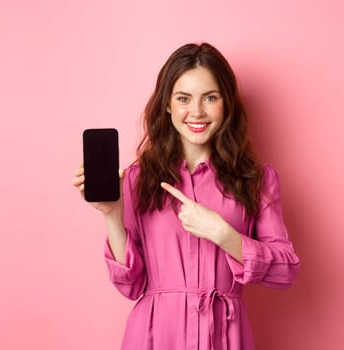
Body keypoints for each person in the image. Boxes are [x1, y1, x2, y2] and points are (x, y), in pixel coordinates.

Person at [72, 42, 300, 350]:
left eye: (210, 97)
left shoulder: (257, 179)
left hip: (224, 337)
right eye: (183, 98)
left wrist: (225, 235)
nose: (197, 111)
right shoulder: (139, 179)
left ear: (227, 103)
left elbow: (286, 270)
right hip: (154, 337)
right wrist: (111, 214)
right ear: (167, 104)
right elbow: (131, 284)